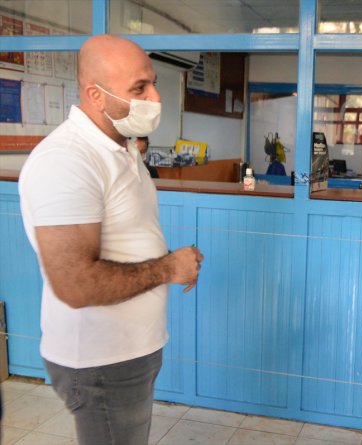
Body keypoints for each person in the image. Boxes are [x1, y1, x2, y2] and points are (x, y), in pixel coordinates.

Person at [18, 34, 203, 445]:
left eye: (153, 83)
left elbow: (127, 237)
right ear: (95, 95)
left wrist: (167, 261)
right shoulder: (66, 161)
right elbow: (76, 284)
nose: (155, 97)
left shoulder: (121, 149)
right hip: (100, 360)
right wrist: (168, 268)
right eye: (139, 88)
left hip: (131, 351)